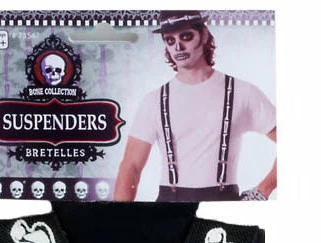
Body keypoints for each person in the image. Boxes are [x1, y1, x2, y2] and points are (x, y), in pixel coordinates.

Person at [115, 11, 277, 202]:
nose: (178, 46)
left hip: (224, 204)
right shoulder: (154, 100)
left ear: (204, 35)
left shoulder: (242, 92)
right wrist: (122, 217)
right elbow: (131, 166)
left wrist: (262, 190)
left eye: (186, 36)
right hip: (169, 205)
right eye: (170, 40)